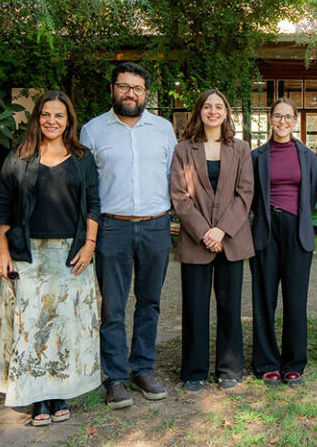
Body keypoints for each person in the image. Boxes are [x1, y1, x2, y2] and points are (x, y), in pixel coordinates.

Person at [0, 91, 101, 426]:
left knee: (64, 326)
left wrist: (90, 244)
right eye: (45, 114)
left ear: (69, 121)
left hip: (71, 253)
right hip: (28, 254)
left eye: (59, 115)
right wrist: (3, 250)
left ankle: (59, 392)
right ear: (37, 118)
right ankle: (38, 398)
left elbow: (93, 203)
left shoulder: (82, 158)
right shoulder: (20, 156)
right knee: (32, 328)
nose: (52, 121)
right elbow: (3, 205)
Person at [80, 62, 177, 409]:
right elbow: (86, 186)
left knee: (149, 302)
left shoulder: (164, 129)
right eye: (123, 86)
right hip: (112, 227)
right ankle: (116, 377)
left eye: (136, 88)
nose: (130, 94)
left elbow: (173, 177)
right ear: (112, 90)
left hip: (155, 226)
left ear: (146, 93)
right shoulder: (92, 131)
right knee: (113, 306)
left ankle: (143, 369)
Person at [170, 89, 254, 391]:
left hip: (231, 240)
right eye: (208, 106)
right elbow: (180, 197)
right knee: (194, 307)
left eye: (219, 106)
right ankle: (194, 370)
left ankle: (229, 368)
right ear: (199, 111)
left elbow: (245, 193)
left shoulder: (241, 148)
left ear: (227, 112)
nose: (213, 111)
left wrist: (221, 230)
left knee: (230, 307)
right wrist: (205, 231)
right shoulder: (183, 149)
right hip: (196, 240)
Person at [250, 98, 317, 387]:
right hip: (265, 229)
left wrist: (295, 219)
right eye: (278, 116)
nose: (282, 121)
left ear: (295, 120)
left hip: (296, 230)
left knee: (295, 299)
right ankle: (267, 362)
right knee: (264, 299)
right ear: (270, 119)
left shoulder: (308, 156)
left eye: (288, 116)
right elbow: (251, 195)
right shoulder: (256, 156)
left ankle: (293, 363)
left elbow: (311, 196)